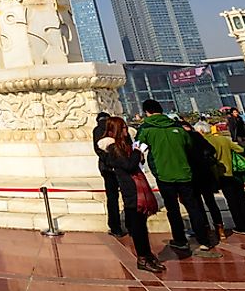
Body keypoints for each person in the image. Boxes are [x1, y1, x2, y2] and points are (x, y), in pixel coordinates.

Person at [135, 99, 220, 257]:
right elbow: (189, 145)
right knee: (193, 207)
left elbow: (138, 148)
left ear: (146, 112)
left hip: (164, 174)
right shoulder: (177, 127)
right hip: (184, 172)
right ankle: (204, 240)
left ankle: (180, 240)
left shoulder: (146, 129)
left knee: (172, 209)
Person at [98, 117, 164, 274]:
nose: (126, 131)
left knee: (141, 225)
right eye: (123, 128)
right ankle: (142, 258)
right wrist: (137, 152)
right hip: (130, 191)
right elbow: (128, 165)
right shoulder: (112, 148)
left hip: (136, 187)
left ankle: (147, 255)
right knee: (138, 227)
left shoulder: (121, 146)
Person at [204, 128, 245, 234]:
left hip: (221, 175)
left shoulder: (204, 142)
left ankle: (240, 226)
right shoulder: (224, 139)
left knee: (232, 202)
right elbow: (240, 150)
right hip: (234, 173)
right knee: (242, 199)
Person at [182, 121, 224, 240]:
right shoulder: (198, 136)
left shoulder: (183, 139)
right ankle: (219, 228)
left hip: (192, 175)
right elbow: (211, 150)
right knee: (211, 202)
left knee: (198, 204)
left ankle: (205, 228)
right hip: (205, 173)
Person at [93, 111, 127, 237]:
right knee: (127, 195)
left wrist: (109, 162)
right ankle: (130, 224)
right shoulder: (118, 126)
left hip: (107, 169)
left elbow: (98, 150)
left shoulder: (98, 129)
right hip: (123, 167)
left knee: (112, 198)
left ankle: (115, 227)